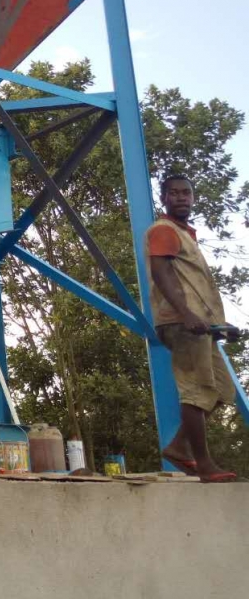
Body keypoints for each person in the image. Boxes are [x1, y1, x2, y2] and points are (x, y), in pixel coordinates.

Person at [147, 173, 237, 482]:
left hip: (202, 325)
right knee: (197, 391)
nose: (182, 197)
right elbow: (161, 274)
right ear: (165, 199)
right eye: (175, 193)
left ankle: (178, 447)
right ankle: (204, 465)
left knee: (221, 391)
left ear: (193, 198)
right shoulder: (163, 230)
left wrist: (221, 326)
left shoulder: (186, 234)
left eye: (186, 193)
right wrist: (185, 313)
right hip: (181, 322)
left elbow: (195, 286)